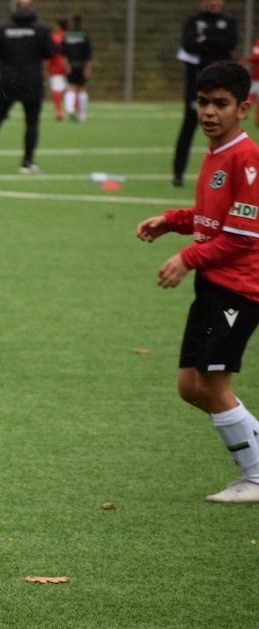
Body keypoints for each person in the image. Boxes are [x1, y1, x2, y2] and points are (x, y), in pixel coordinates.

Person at [136, 61, 259, 504]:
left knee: (211, 387)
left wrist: (186, 257)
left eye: (220, 104)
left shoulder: (246, 158)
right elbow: (211, 218)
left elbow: (242, 237)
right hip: (212, 285)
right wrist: (172, 221)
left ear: (243, 108)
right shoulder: (215, 153)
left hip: (240, 288)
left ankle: (256, 477)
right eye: (203, 102)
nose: (209, 111)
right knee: (190, 387)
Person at [0, 0, 56, 173]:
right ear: (32, 7)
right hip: (32, 80)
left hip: (8, 79)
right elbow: (50, 52)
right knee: (32, 123)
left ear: (15, 7)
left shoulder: (3, 27)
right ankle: (27, 162)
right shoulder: (41, 28)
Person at [172, 0, 237, 188]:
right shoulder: (193, 21)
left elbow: (229, 42)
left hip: (224, 85)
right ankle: (178, 174)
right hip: (197, 86)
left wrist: (205, 40)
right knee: (188, 127)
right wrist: (215, 42)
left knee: (227, 130)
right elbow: (188, 44)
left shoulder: (228, 22)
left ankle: (227, 175)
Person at [61, 15, 92, 122]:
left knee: (72, 87)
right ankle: (81, 114)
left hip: (71, 65)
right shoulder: (84, 36)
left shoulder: (67, 36)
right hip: (81, 65)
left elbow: (64, 53)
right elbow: (88, 54)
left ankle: (70, 109)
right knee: (82, 88)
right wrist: (88, 67)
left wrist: (66, 65)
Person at [47, 18, 68, 121]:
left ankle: (59, 111)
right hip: (72, 65)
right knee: (73, 88)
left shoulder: (54, 37)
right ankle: (76, 110)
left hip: (56, 65)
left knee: (56, 89)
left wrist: (48, 66)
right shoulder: (70, 36)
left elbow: (50, 53)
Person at [244, 36, 259, 125]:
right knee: (251, 94)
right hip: (256, 75)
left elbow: (256, 56)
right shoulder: (258, 42)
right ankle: (244, 111)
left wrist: (248, 58)